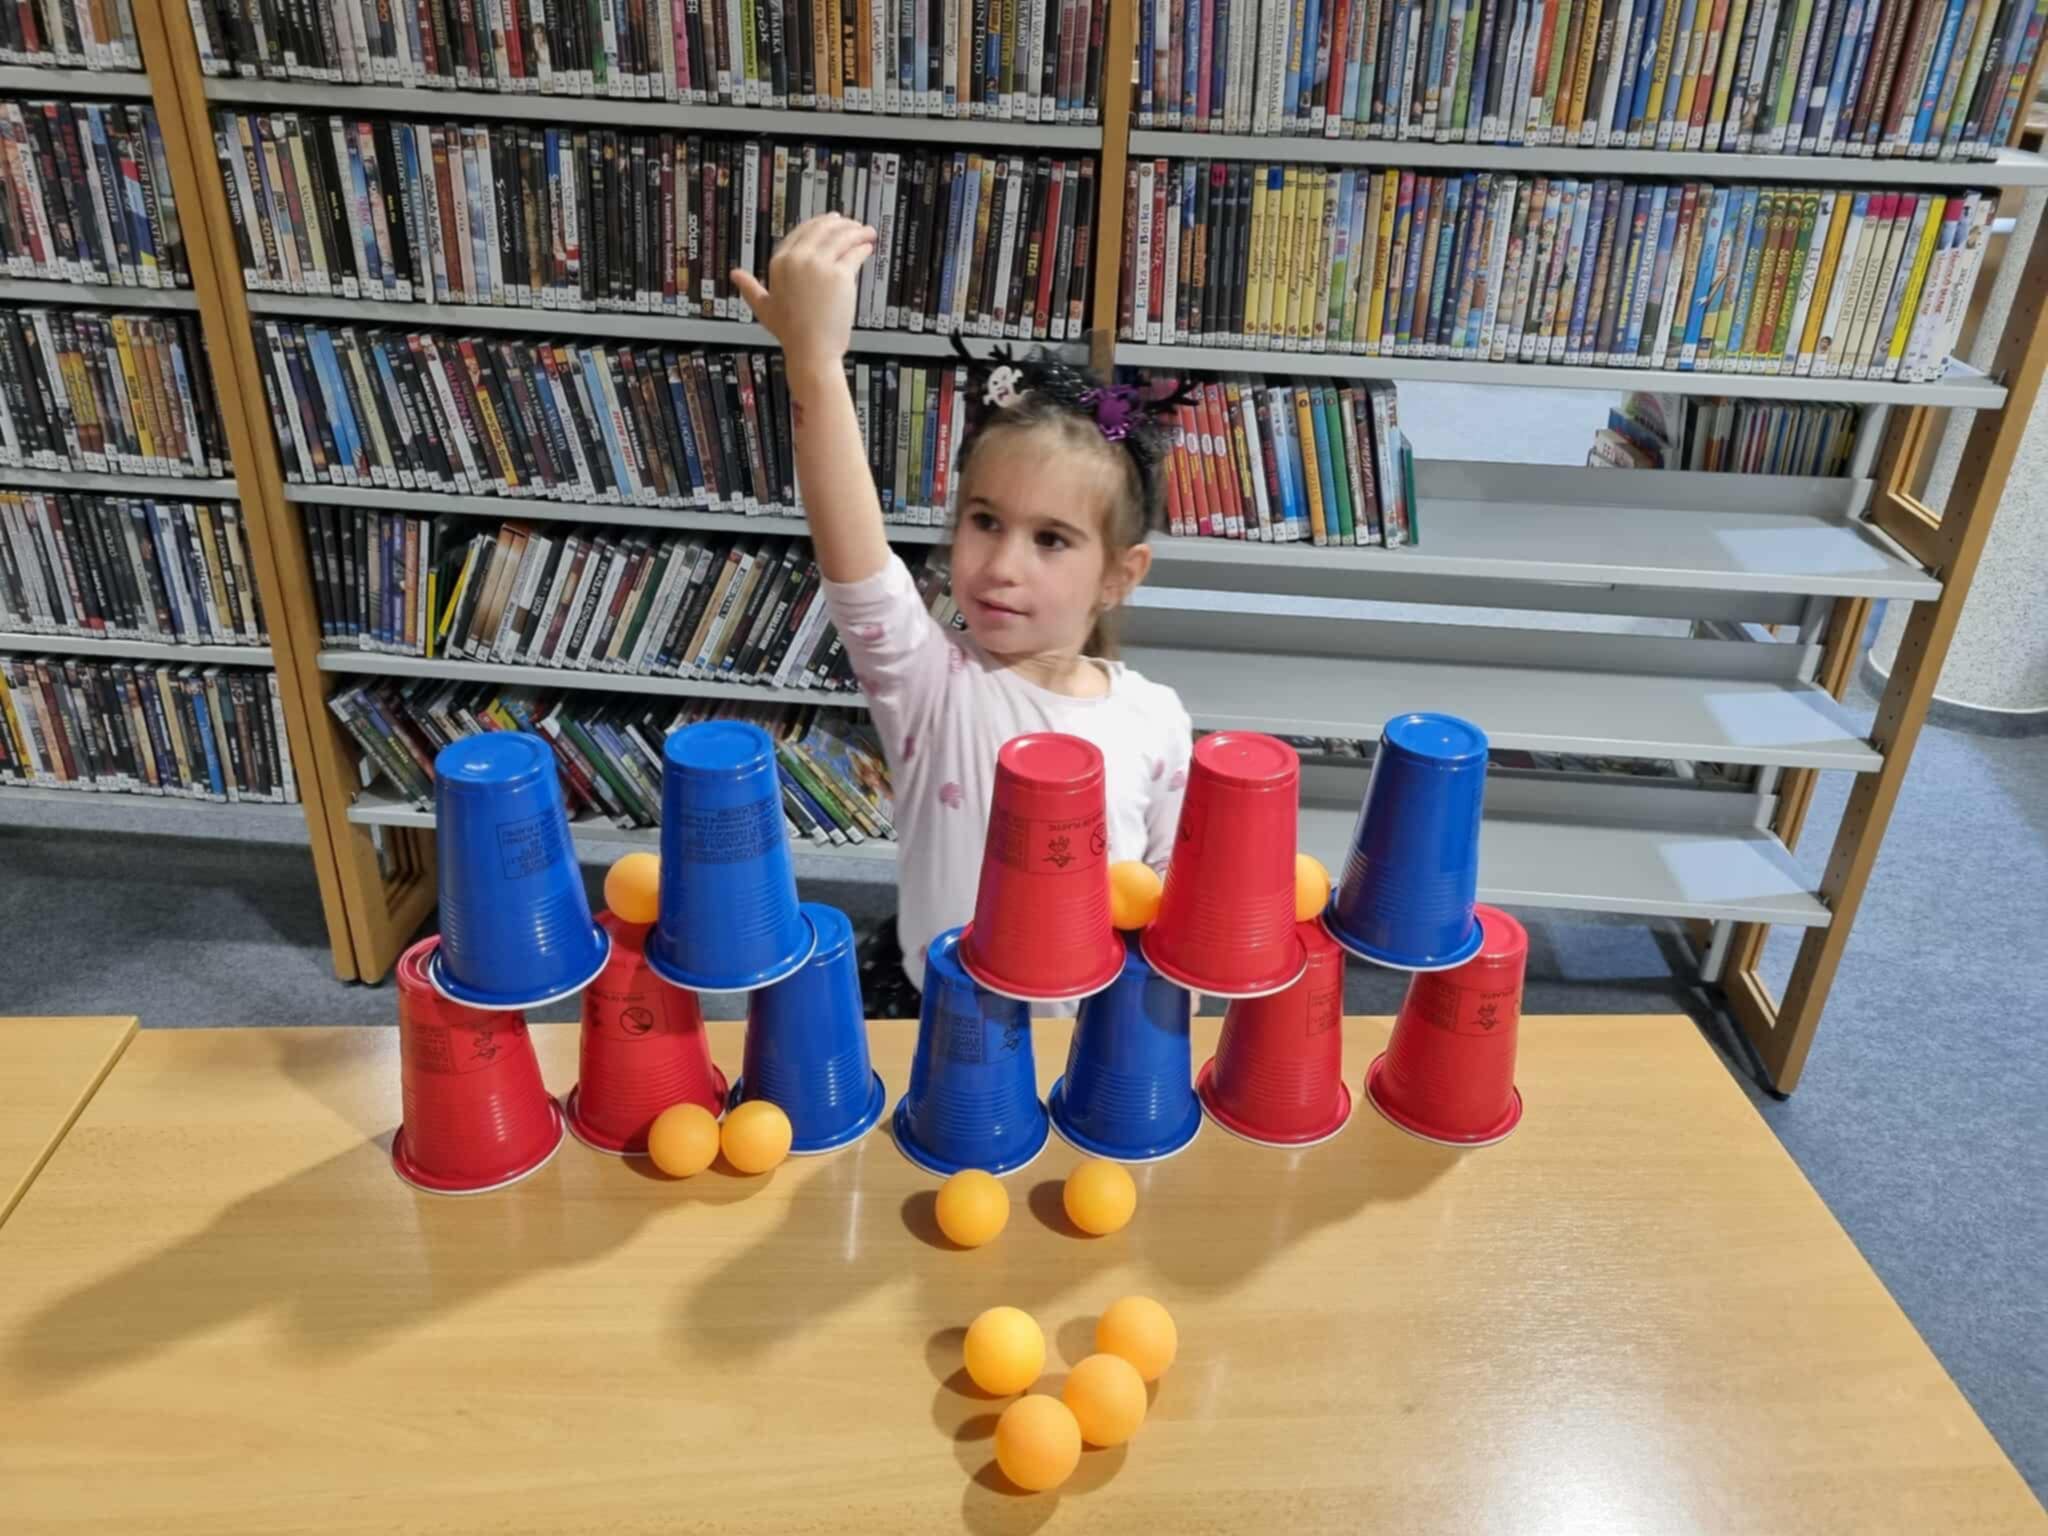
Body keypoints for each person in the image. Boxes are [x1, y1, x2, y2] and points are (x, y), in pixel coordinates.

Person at [733, 213, 1194, 1009]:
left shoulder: (1156, 718)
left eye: (1051, 539)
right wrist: (815, 364)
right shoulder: (930, 680)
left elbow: (1171, 898)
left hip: (1088, 1028)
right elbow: (857, 562)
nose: (1002, 566)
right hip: (941, 1016)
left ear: (1119, 576)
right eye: (985, 521)